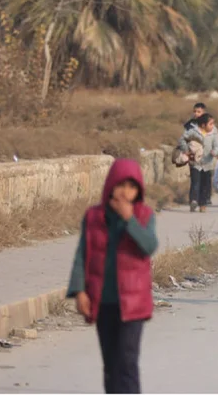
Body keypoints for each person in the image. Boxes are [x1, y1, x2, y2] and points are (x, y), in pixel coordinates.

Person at [66, 158, 159, 394]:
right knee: (110, 364)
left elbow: (149, 246)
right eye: (121, 185)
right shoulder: (94, 217)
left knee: (127, 362)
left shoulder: (144, 215)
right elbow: (82, 255)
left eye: (132, 186)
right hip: (104, 301)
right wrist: (80, 291)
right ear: (110, 185)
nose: (126, 192)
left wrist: (130, 219)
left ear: (138, 190)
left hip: (132, 304)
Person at [180, 113, 218, 213]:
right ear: (203, 125)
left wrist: (214, 152)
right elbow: (182, 140)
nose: (212, 126)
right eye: (210, 124)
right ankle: (193, 201)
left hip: (208, 163)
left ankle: (202, 204)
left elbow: (217, 145)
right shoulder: (193, 132)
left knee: (205, 184)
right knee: (195, 182)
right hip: (195, 162)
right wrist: (186, 149)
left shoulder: (214, 133)